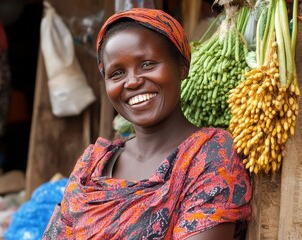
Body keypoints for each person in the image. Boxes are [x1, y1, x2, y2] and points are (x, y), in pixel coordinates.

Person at [42, 8, 252, 240]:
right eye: (117, 73)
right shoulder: (92, 164)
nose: (132, 82)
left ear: (182, 67)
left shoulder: (209, 156)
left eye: (147, 65)